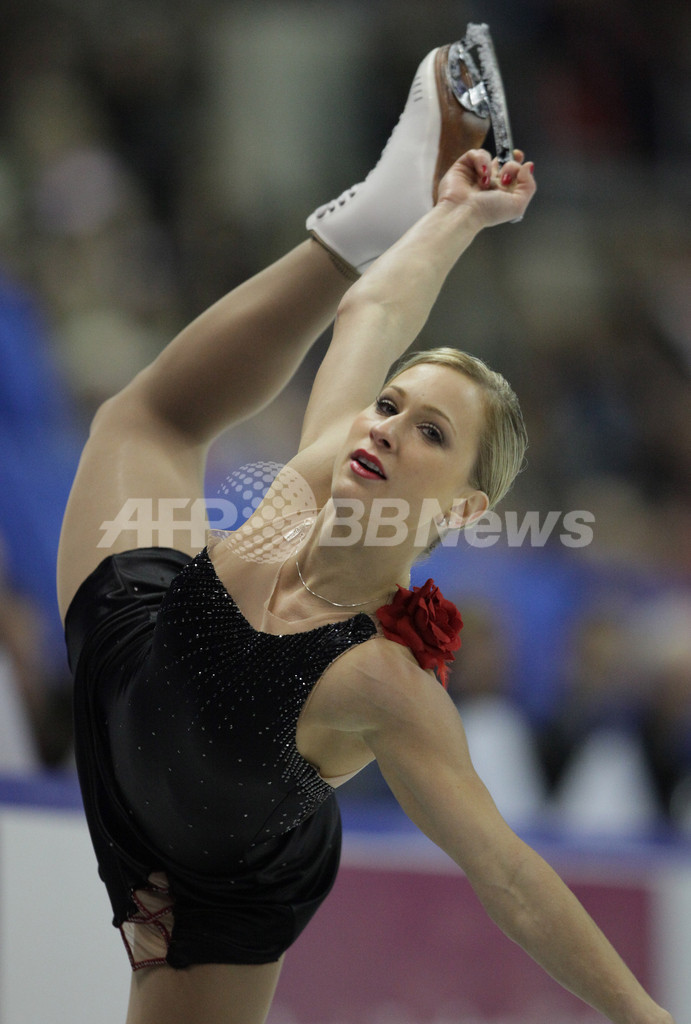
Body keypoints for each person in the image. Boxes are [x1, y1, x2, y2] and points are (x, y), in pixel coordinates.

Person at [56, 37, 675, 1024]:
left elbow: (510, 876)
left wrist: (644, 1016)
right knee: (143, 418)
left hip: (219, 877)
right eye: (389, 407)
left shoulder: (385, 683)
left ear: (464, 508)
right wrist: (455, 215)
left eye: (426, 433)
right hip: (134, 666)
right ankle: (363, 216)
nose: (382, 428)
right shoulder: (319, 471)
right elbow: (374, 313)